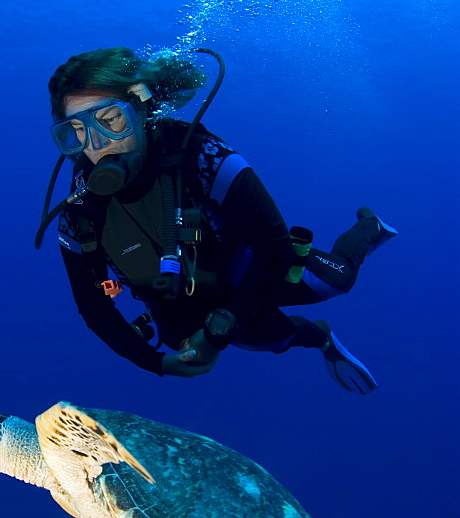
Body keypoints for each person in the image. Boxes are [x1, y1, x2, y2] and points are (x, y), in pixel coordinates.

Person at [44, 47, 397, 393]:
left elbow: (275, 251)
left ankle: (371, 228)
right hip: (180, 299)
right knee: (268, 339)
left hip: (254, 269)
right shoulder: (80, 213)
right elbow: (93, 308)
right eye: (76, 129)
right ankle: (321, 339)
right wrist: (159, 364)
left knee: (338, 280)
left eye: (110, 120)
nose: (96, 144)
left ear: (141, 107)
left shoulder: (206, 159)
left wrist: (217, 332)